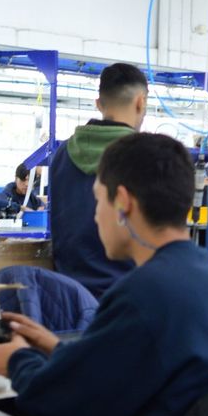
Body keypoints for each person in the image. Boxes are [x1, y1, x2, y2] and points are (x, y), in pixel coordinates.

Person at [0, 133, 208, 416]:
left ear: (124, 202)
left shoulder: (142, 292)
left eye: (99, 201)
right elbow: (129, 371)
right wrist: (57, 349)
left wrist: (17, 361)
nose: (95, 216)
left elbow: (66, 403)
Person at [51, 62, 147, 298]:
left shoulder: (63, 154)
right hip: (128, 296)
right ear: (140, 102)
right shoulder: (145, 155)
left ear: (99, 104)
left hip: (69, 295)